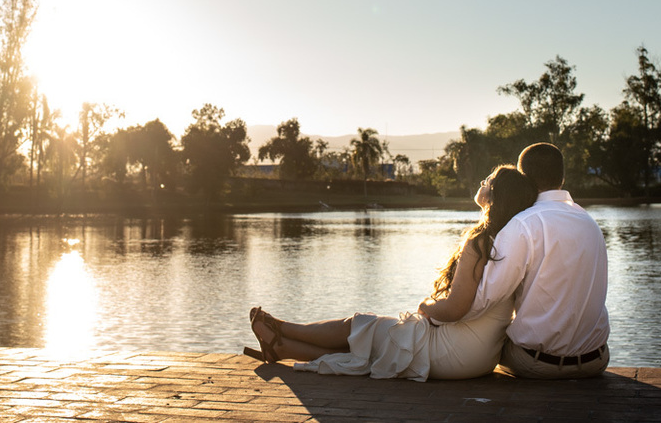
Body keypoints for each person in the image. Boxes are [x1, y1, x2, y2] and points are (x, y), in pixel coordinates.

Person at [245, 164, 537, 381]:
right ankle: (281, 347)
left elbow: (456, 308)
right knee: (372, 346)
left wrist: (426, 306)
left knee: (360, 325)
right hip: (480, 355)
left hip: (456, 353)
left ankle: (281, 328)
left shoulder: (481, 241)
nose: (482, 181)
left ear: (495, 195)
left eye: (488, 180)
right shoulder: (507, 240)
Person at [476, 142, 610, 379]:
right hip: (596, 360)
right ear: (562, 177)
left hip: (537, 364)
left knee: (480, 341)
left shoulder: (523, 224)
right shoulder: (590, 223)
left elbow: (484, 297)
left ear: (523, 178)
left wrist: (488, 210)